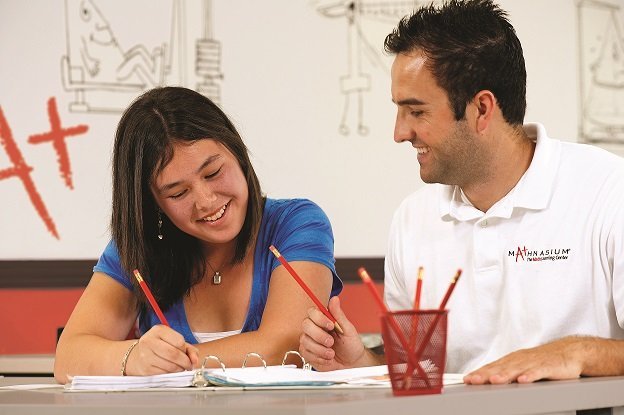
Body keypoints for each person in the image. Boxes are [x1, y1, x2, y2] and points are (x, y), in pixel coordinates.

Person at [299, 0, 624, 384]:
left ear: (482, 109)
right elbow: (416, 369)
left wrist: (579, 351)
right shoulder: (412, 219)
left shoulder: (608, 190)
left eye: (416, 111)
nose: (399, 133)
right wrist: (361, 362)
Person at [54, 86, 342, 383]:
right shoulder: (140, 247)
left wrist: (173, 363)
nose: (206, 201)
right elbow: (67, 359)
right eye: (178, 193)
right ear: (153, 204)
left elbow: (286, 348)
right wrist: (134, 357)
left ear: (237, 152)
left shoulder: (296, 223)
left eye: (213, 172)